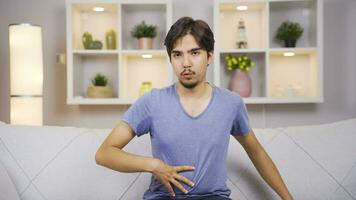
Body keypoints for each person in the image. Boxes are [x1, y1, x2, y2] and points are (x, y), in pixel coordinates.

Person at [95, 16, 294, 200]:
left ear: (209, 56)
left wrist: (288, 198)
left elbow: (257, 152)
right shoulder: (152, 102)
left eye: (194, 53)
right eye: (177, 55)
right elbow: (104, 153)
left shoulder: (231, 104)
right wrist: (153, 165)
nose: (186, 63)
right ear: (171, 59)